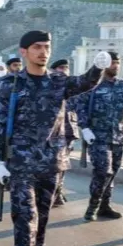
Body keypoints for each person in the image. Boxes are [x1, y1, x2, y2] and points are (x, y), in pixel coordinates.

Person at [0, 30, 107, 246]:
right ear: (24, 52)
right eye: (37, 47)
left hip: (52, 162)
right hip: (21, 163)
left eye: (46, 47)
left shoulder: (58, 82)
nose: (43, 52)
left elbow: (85, 83)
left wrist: (98, 67)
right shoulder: (10, 85)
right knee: (25, 217)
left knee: (41, 217)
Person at [75, 51, 123, 222]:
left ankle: (105, 206)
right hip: (98, 137)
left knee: (112, 173)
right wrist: (84, 128)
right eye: (112, 63)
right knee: (103, 171)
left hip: (119, 137)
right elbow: (80, 106)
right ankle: (92, 206)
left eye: (117, 63)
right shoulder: (91, 85)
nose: (115, 66)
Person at [49, 58, 76, 207]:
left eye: (66, 67)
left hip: (69, 132)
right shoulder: (51, 87)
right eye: (60, 67)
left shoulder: (72, 88)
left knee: (63, 166)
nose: (63, 70)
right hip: (54, 135)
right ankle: (53, 193)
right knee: (54, 167)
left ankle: (58, 192)